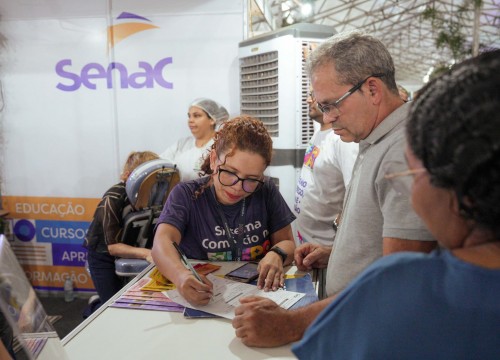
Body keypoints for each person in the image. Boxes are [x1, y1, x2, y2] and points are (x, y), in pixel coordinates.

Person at [232, 30, 436, 347]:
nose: (327, 117)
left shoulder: (402, 152)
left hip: (369, 335)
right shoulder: (374, 139)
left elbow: (397, 286)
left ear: (372, 89)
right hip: (352, 321)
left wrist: (290, 324)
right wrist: (338, 253)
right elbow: (382, 242)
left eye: (332, 105)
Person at [292, 49, 500, 359]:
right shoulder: (369, 139)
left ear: (462, 186)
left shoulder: (404, 286)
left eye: (413, 175)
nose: (413, 194)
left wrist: (287, 324)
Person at [151, 115, 296, 305]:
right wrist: (181, 276)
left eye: (251, 179)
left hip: (255, 297)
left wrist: (276, 254)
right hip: (204, 296)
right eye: (229, 173)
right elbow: (162, 243)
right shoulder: (186, 195)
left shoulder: (265, 190)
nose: (237, 187)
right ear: (213, 161)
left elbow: (287, 242)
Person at [84, 151, 159, 310]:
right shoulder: (113, 197)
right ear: (130, 176)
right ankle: (94, 307)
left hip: (133, 246)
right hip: (103, 255)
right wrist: (146, 253)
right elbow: (111, 246)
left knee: (133, 302)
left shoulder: (156, 196)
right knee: (112, 306)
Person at [294, 89, 358, 246]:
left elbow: (354, 195)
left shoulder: (342, 141)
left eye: (313, 95)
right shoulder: (319, 133)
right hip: (307, 239)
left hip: (326, 246)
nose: (309, 100)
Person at [160, 98, 229, 182]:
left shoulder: (221, 146)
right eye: (189, 116)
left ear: (212, 119)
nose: (190, 120)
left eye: (197, 116)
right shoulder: (182, 144)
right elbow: (160, 163)